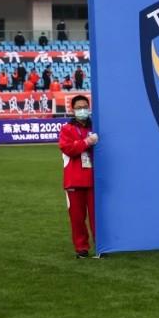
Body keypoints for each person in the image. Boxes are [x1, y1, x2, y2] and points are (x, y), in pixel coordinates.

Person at [59, 95, 99, 258]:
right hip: (74, 180)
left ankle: (101, 246)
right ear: (72, 110)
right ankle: (81, 247)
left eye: (85, 107)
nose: (82, 110)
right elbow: (68, 149)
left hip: (95, 180)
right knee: (77, 218)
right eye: (78, 107)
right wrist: (86, 142)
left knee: (98, 217)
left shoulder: (97, 126)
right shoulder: (66, 129)